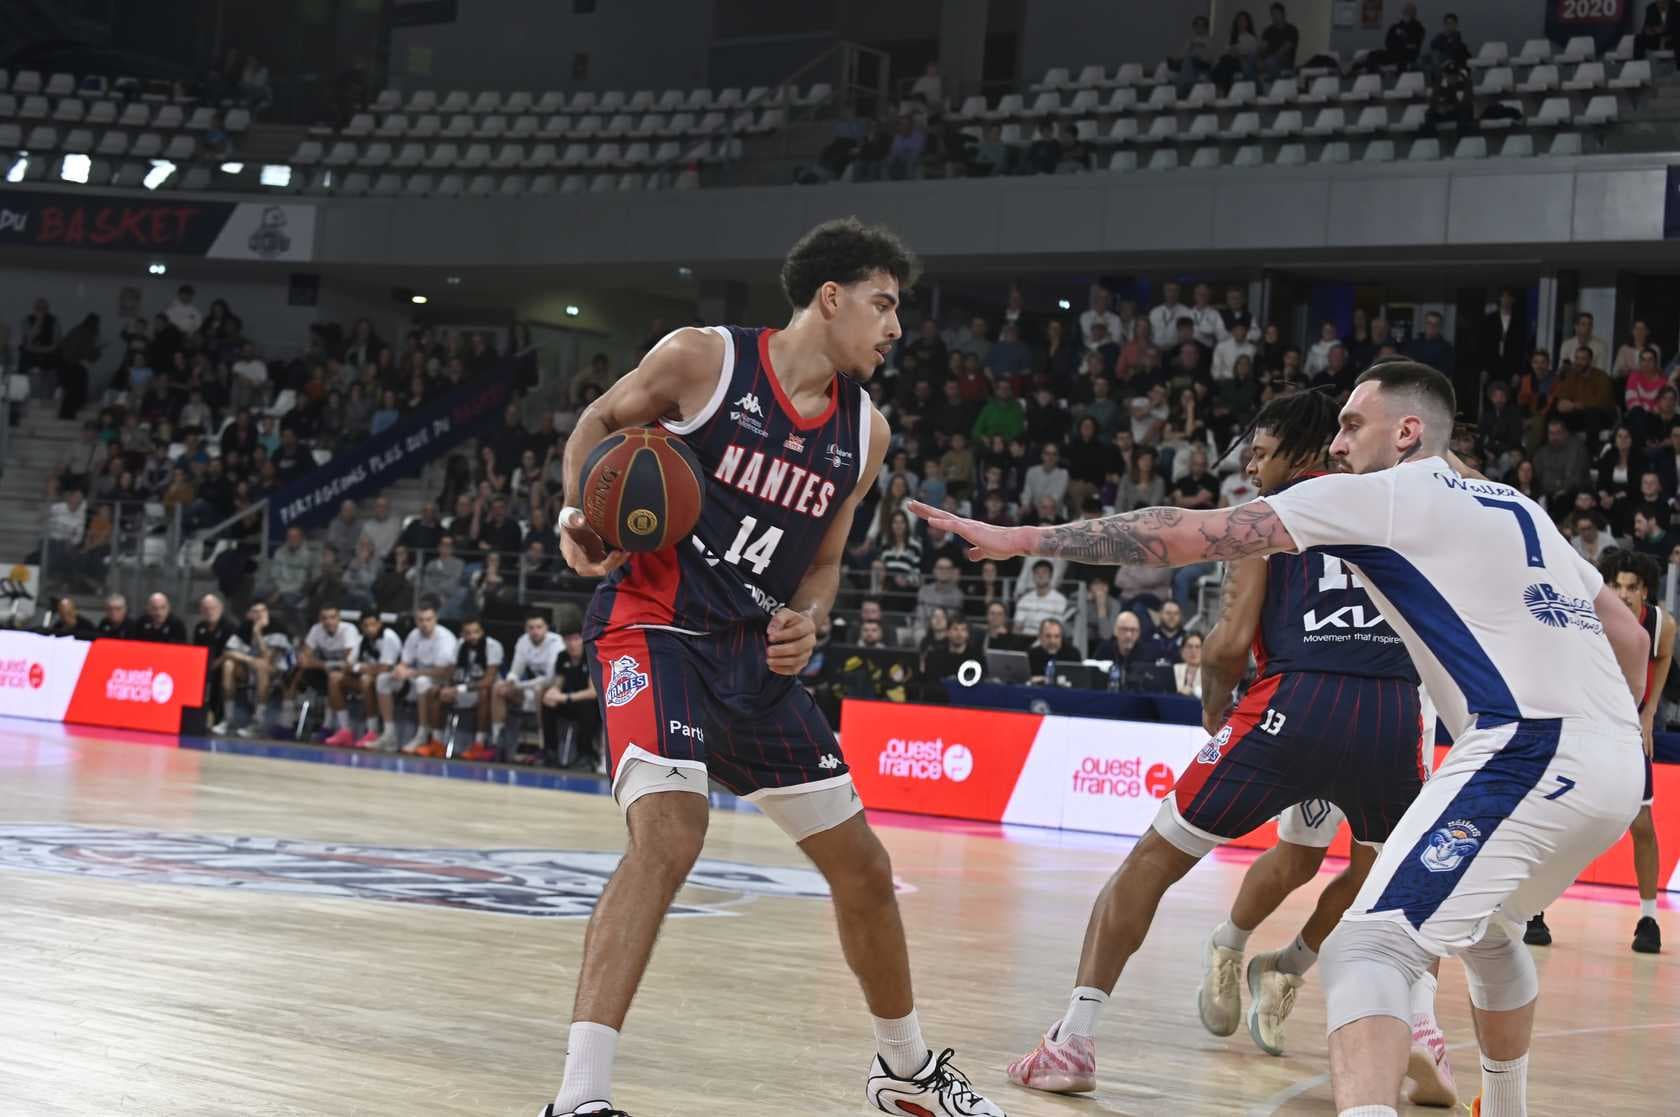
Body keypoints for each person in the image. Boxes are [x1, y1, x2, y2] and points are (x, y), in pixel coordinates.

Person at [913, 361, 1649, 1117]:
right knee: (1488, 933)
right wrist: (1606, 732)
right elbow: (1627, 633)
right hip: (1609, 761)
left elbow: (1184, 535)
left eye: (1351, 425)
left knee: (1367, 948)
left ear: (1407, 431)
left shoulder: (1386, 495)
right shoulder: (1521, 506)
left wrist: (1025, 536)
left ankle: (1086, 1029)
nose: (1335, 443)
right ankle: (1482, 1086)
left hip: (1492, 743)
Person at [550, 218, 1000, 1117]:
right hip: (656, 626)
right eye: (883, 305)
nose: (895, 327)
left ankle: (904, 1074)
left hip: (756, 656)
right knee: (671, 835)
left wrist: (811, 618)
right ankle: (578, 1098)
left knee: (865, 869)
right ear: (829, 298)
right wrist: (575, 517)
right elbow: (603, 424)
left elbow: (825, 560)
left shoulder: (865, 433)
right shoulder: (703, 362)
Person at [978, 388, 1439, 1094]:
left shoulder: (1274, 513)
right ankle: (1423, 1030)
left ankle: (1073, 1039)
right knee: (1406, 887)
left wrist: (1217, 709)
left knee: (1154, 858)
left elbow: (1227, 643)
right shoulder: (1399, 502)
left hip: (1297, 700)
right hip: (1392, 711)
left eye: (1260, 453)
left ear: (1303, 448)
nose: (1251, 470)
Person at [1526, 550, 1670, 956]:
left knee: (1642, 825)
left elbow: (1660, 658)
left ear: (1646, 590)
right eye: (1616, 586)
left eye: (1632, 587)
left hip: (1626, 730)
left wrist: (1649, 713)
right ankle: (1535, 910)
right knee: (1553, 817)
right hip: (1580, 724)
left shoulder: (1661, 624)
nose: (1623, 595)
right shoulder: (1584, 613)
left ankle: (1648, 917)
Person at [213, 601, 293, 736]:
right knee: (228, 665)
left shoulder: (277, 627)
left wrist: (257, 633)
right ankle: (228, 719)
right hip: (251, 668)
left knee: (262, 666)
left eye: (263, 611)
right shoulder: (244, 627)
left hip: (276, 671)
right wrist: (250, 660)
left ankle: (258, 721)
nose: (260, 615)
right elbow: (228, 652)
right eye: (255, 612)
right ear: (249, 615)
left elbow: (268, 659)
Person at [493, 611, 565, 762]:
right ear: (526, 628)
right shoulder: (523, 641)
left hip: (554, 688)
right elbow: (515, 670)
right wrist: (510, 682)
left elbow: (549, 678)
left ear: (546, 628)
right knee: (498, 688)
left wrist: (519, 685)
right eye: (531, 627)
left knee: (540, 690)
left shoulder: (556, 643)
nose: (535, 631)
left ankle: (543, 746)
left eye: (539, 627)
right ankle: (496, 742)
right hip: (529, 687)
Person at [392, 597, 459, 756]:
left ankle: (422, 734)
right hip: (418, 677)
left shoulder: (445, 638)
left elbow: (444, 672)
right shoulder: (414, 635)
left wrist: (413, 673)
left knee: (422, 682)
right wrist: (399, 670)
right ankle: (386, 733)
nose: (424, 623)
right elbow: (405, 661)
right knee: (384, 680)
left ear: (435, 619)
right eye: (420, 620)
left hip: (442, 681)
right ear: (416, 620)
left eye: (428, 619)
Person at [439, 616, 505, 761]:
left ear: (482, 632)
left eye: (476, 632)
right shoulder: (460, 645)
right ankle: (437, 742)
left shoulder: (493, 646)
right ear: (462, 634)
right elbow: (451, 671)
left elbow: (488, 680)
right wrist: (446, 688)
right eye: (468, 633)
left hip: (485, 692)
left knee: (484, 693)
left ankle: (479, 744)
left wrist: (458, 689)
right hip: (463, 688)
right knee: (436, 692)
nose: (472, 636)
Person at [296, 606, 362, 745]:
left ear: (339, 618)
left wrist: (324, 665)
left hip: (351, 673)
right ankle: (288, 722)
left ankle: (340, 729)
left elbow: (348, 661)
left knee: (334, 677)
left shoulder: (349, 630)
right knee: (296, 672)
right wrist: (324, 665)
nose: (328, 621)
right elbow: (303, 658)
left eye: (332, 617)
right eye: (324, 618)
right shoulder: (316, 629)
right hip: (325, 670)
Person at [542, 630, 601, 769]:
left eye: (576, 639)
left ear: (583, 640)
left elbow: (593, 692)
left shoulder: (592, 656)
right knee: (548, 704)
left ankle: (586, 755)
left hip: (590, 705)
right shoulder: (562, 657)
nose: (572, 644)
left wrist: (566, 697)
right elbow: (558, 684)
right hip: (569, 702)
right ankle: (551, 752)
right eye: (568, 639)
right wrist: (552, 693)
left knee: (587, 706)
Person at [350, 613, 405, 749]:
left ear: (380, 624)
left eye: (373, 625)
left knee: (373, 679)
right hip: (375, 679)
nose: (370, 629)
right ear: (361, 627)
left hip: (398, 681)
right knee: (336, 678)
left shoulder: (389, 637)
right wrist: (360, 668)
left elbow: (385, 668)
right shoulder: (362, 640)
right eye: (366, 626)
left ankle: (385, 734)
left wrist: (361, 668)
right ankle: (362, 731)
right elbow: (349, 664)